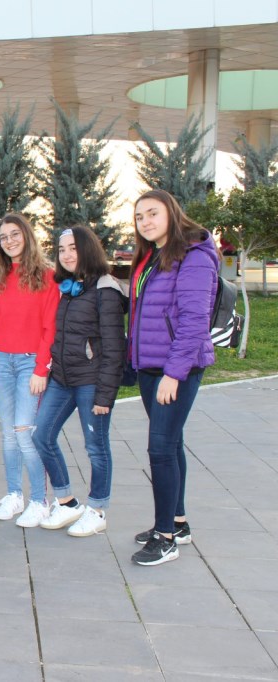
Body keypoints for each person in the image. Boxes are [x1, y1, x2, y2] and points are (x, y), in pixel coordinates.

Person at [128, 190, 219, 566]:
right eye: (139, 217)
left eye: (153, 213)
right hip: (151, 366)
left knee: (160, 448)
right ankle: (177, 523)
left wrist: (174, 374)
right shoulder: (152, 256)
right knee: (172, 442)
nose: (145, 221)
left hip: (175, 369)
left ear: (172, 213)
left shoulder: (193, 255)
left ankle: (164, 538)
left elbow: (195, 320)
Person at [33, 226, 126, 536]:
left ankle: (97, 510)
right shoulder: (67, 288)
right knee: (41, 435)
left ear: (88, 249)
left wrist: (104, 396)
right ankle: (67, 502)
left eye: (73, 248)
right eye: (62, 250)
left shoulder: (105, 289)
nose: (67, 255)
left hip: (91, 381)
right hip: (62, 378)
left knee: (96, 447)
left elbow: (114, 348)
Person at [0, 214, 58, 527]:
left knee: (25, 433)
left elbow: (49, 328)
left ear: (27, 235)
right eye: (3, 237)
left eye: (15, 234)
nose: (9, 241)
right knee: (8, 435)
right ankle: (14, 494)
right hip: (1, 362)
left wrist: (41, 369)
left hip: (29, 363)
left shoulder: (47, 276)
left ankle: (40, 500)